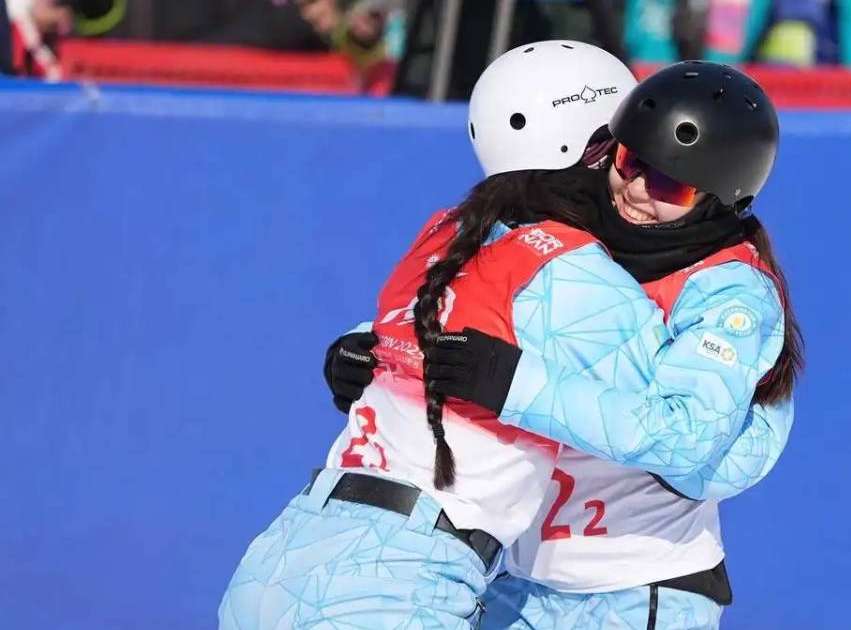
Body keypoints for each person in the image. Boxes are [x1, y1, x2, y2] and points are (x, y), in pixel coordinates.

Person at [221, 41, 794, 629]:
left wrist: (514, 384)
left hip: (625, 584)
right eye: (630, 161)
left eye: (672, 186)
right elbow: (476, 312)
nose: (638, 190)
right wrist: (375, 350)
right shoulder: (555, 250)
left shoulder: (725, 289)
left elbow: (721, 450)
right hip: (513, 579)